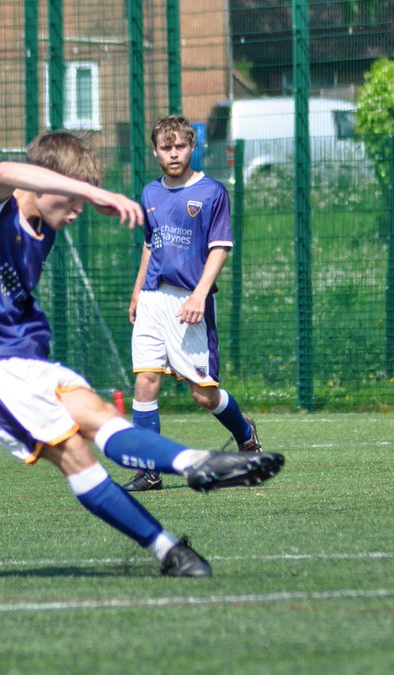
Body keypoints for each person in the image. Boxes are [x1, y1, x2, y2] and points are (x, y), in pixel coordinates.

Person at [0, 131, 285, 577]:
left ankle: (184, 502)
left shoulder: (44, 233)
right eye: (71, 201)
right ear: (45, 182)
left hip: (15, 361)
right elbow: (0, 173)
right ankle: (178, 506)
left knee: (94, 415)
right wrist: (91, 191)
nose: (77, 212)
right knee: (74, 449)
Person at [122, 115, 262, 493]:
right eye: (165, 148)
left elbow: (219, 248)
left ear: (192, 147)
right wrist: (137, 292)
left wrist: (200, 294)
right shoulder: (150, 193)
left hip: (189, 300)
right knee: (145, 381)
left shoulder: (212, 192)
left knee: (203, 393)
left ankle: (245, 433)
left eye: (180, 146)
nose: (173, 154)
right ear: (155, 152)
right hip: (153, 297)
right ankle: (148, 470)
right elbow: (150, 247)